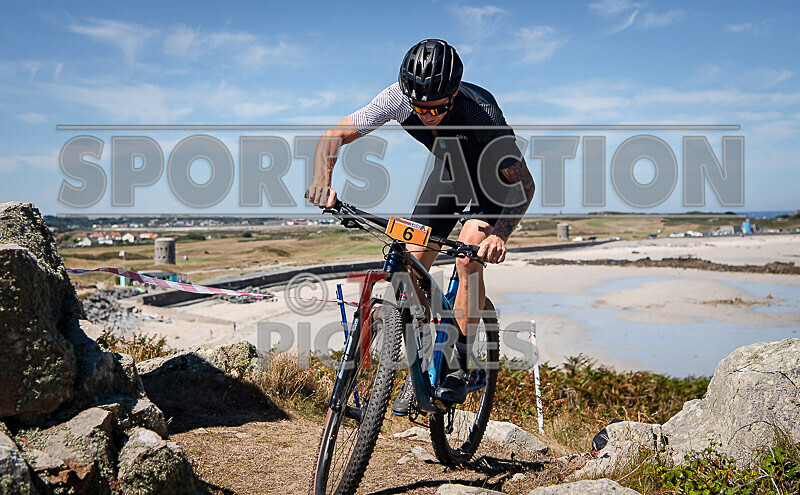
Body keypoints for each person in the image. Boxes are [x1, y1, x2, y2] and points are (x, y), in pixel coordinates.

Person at [307, 39, 535, 415]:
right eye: (419, 108)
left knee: (467, 257)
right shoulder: (396, 97)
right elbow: (335, 135)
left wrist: (499, 234)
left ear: (455, 93)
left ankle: (457, 362)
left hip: (494, 184)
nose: (427, 116)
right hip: (451, 172)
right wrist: (322, 181)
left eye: (437, 109)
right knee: (409, 267)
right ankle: (428, 349)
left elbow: (524, 184)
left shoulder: (481, 114)